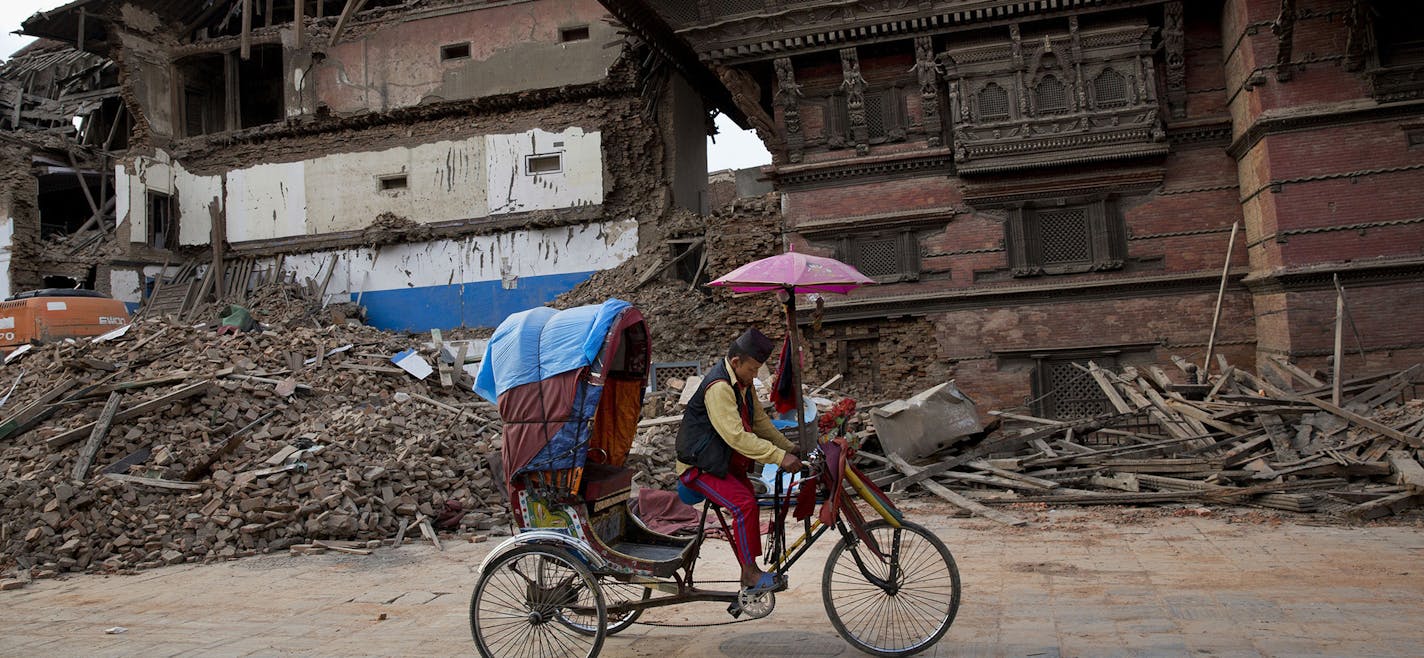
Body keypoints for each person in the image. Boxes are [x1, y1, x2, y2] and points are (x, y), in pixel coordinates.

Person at [675, 327, 803, 593]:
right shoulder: (719, 387)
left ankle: (751, 567)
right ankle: (750, 575)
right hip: (698, 467)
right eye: (753, 369)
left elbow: (760, 423)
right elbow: (736, 437)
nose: (755, 375)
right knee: (743, 505)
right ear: (736, 362)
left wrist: (789, 446)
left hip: (719, 463)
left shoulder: (742, 384)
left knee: (750, 501)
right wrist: (779, 457)